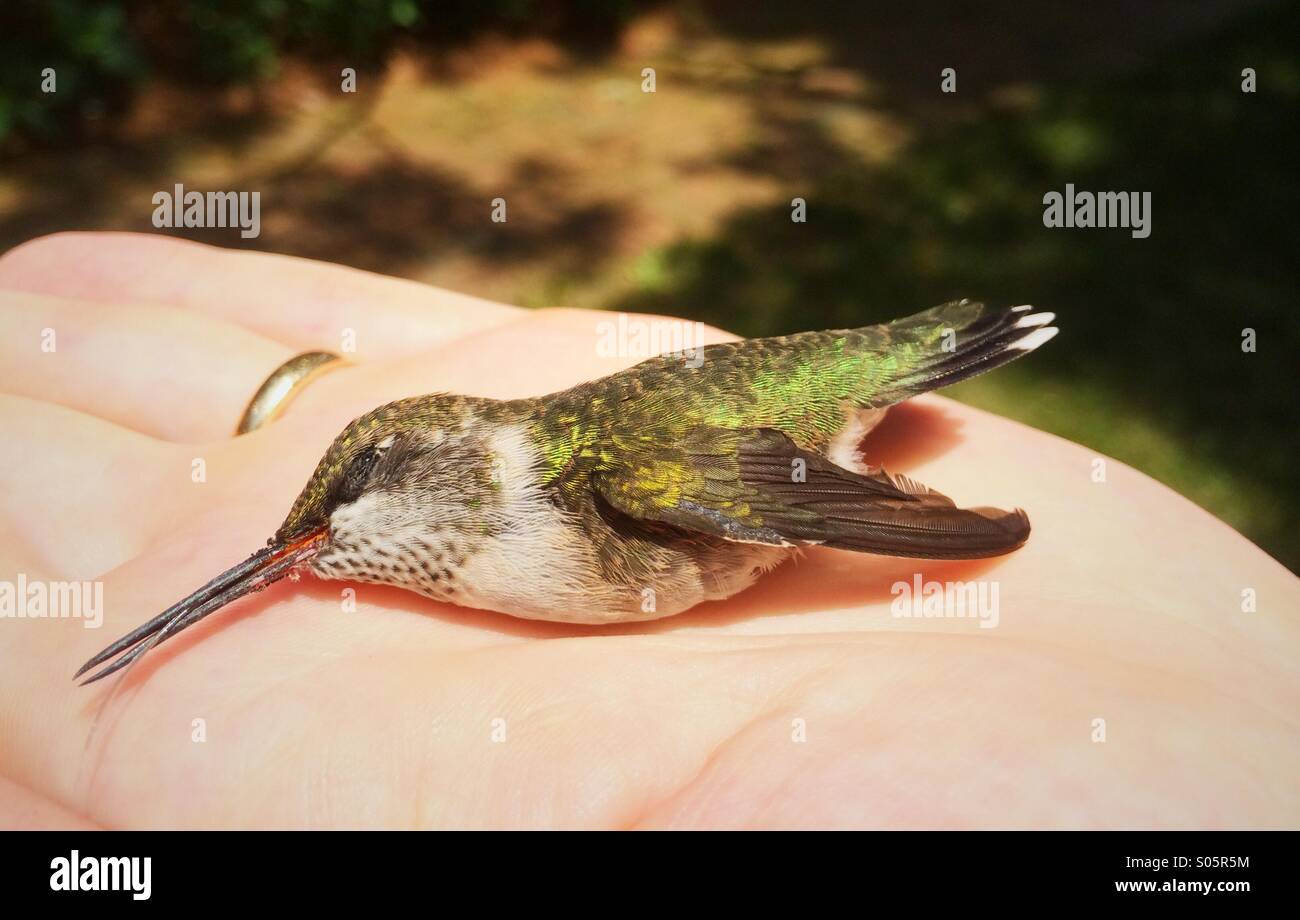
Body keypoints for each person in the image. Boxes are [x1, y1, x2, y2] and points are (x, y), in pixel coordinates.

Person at [0, 232, 1295, 829]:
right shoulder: (511, 502)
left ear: (440, 473)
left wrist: (880, 516)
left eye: (339, 523)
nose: (317, 554)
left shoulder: (588, 478)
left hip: (763, 434)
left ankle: (931, 343)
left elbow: (752, 491)